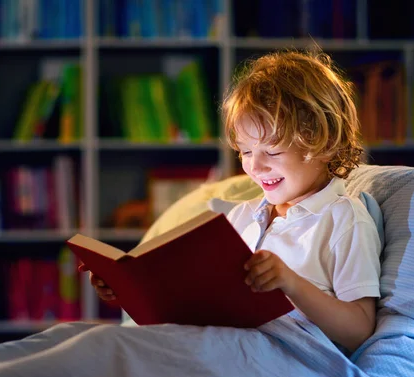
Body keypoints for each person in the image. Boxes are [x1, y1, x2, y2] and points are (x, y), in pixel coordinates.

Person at [83, 49, 381, 353]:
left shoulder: (343, 219)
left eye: (273, 151)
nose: (255, 166)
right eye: (246, 151)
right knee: (83, 342)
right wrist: (129, 289)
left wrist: (291, 283)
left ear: (326, 143)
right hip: (217, 347)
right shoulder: (242, 216)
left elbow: (359, 329)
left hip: (281, 360)